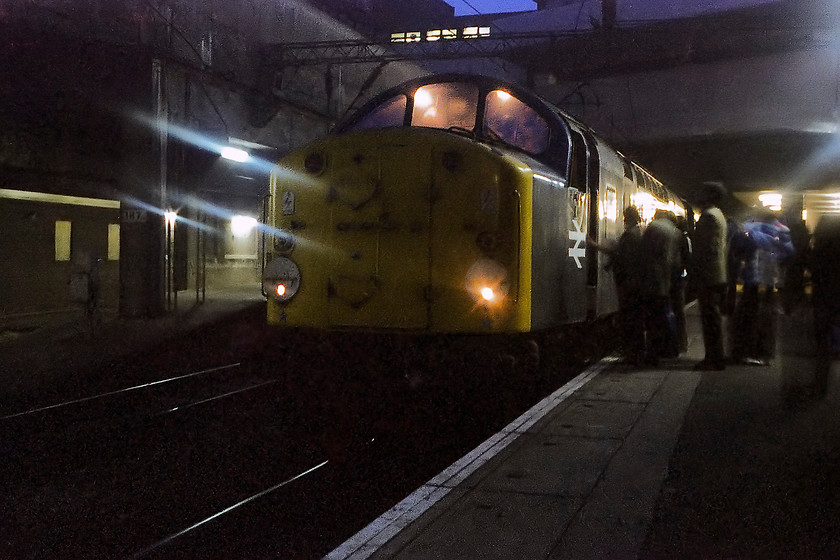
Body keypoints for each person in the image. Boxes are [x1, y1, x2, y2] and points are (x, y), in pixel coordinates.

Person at [590, 206, 645, 365]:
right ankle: (635, 352)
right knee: (634, 318)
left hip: (629, 283)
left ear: (630, 217)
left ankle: (633, 354)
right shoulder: (638, 233)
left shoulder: (630, 235)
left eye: (625, 216)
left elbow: (618, 253)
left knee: (630, 318)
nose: (624, 219)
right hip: (635, 282)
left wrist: (594, 245)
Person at [692, 182, 728, 371]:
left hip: (709, 275)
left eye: (701, 192)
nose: (697, 195)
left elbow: (706, 249)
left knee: (710, 319)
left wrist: (695, 270)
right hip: (715, 274)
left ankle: (714, 359)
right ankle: (715, 357)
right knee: (712, 318)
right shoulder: (718, 215)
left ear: (709, 195)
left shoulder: (709, 216)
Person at [640, 209, 682, 363]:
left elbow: (643, 253)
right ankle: (670, 348)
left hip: (652, 280)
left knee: (653, 319)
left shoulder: (654, 227)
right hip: (668, 279)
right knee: (666, 315)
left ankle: (653, 352)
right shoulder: (675, 232)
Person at [811, 214, 840, 396]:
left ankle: (820, 385)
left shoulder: (820, 251)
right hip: (833, 298)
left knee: (823, 342)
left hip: (824, 299)